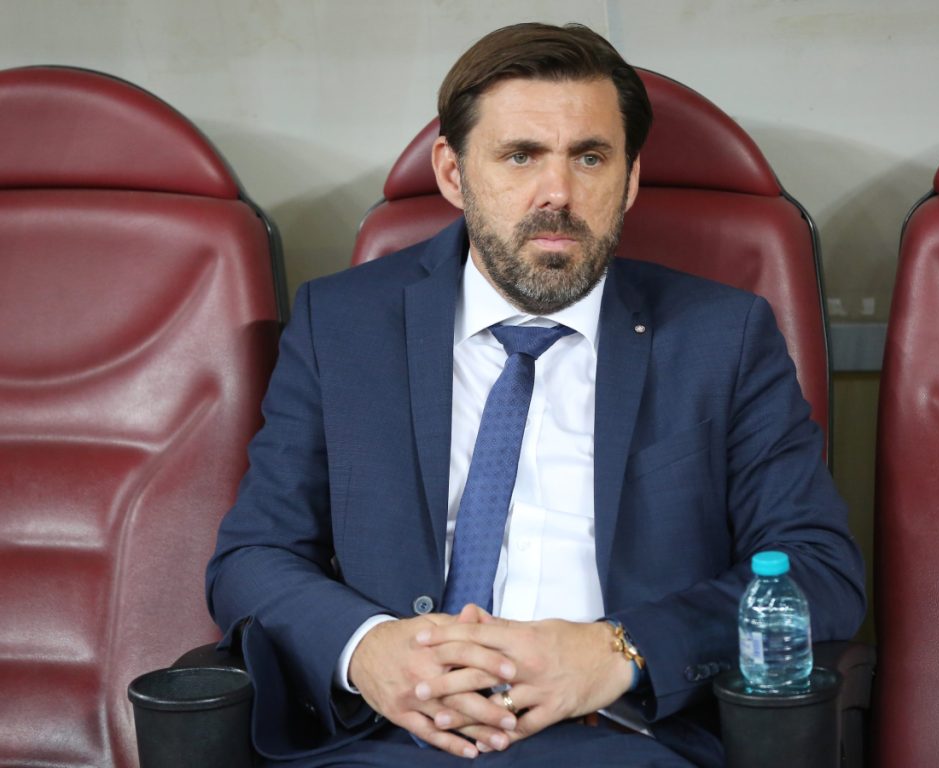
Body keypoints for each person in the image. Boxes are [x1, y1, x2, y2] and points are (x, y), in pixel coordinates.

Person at [206, 21, 865, 768]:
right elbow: (253, 555)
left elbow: (819, 569)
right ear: (453, 173)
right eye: (520, 155)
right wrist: (369, 650)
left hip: (616, 739)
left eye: (590, 157)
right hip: (384, 738)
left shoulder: (723, 336)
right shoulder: (344, 324)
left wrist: (618, 651)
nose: (559, 193)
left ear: (630, 178)